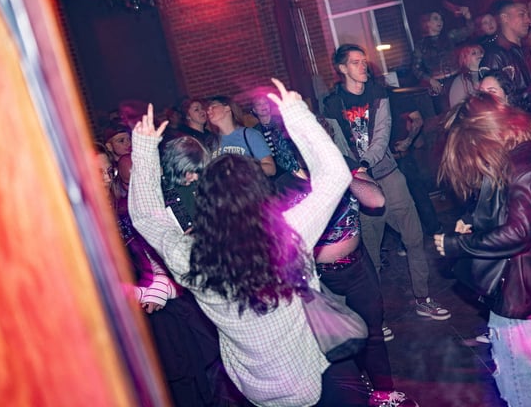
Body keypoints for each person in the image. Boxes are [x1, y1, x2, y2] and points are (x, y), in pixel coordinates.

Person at [129, 79, 369, 407]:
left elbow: (147, 218)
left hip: (255, 392)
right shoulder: (289, 234)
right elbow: (335, 177)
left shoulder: (190, 258)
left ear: (206, 201)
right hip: (312, 380)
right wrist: (296, 115)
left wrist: (143, 150)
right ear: (258, 194)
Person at [433, 93, 531, 407]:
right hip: (528, 288)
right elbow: (504, 212)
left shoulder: (521, 166)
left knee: (524, 387)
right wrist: (471, 223)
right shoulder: (515, 156)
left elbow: (519, 234)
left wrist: (457, 245)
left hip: (517, 294)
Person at [277, 152, 418, 407]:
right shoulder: (283, 186)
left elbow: (376, 200)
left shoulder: (341, 165)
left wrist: (340, 174)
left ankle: (384, 393)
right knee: (336, 342)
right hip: (319, 278)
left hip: (358, 267)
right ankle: (356, 394)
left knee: (372, 331)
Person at [323, 44, 451, 321]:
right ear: (342, 68)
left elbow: (382, 134)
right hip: (360, 185)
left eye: (363, 61)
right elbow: (338, 144)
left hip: (388, 175)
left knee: (414, 237)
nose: (363, 66)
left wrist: (365, 163)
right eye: (355, 62)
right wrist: (356, 172)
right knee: (371, 254)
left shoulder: (378, 93)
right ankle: (375, 318)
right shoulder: (333, 103)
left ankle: (423, 298)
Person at [411, 8, 473, 114]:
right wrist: (430, 80)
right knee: (446, 115)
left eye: (441, 19)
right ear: (427, 23)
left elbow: (469, 30)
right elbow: (415, 68)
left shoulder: (450, 36)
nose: (440, 21)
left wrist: (468, 17)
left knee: (465, 110)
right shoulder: (420, 45)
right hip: (439, 86)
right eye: (436, 19)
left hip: (456, 79)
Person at [206, 94, 276, 177]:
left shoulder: (249, 135)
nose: (208, 111)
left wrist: (242, 169)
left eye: (213, 107)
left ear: (227, 108)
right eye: (208, 109)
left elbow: (271, 169)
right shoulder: (211, 142)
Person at [251, 92, 300, 177]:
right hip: (271, 169)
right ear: (254, 110)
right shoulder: (254, 132)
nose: (263, 106)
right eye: (259, 104)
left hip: (290, 165)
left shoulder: (283, 122)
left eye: (266, 103)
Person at [448, 43, 484, 108]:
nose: (480, 55)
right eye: (474, 53)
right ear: (465, 59)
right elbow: (456, 107)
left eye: (481, 52)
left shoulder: (487, 72)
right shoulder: (460, 81)